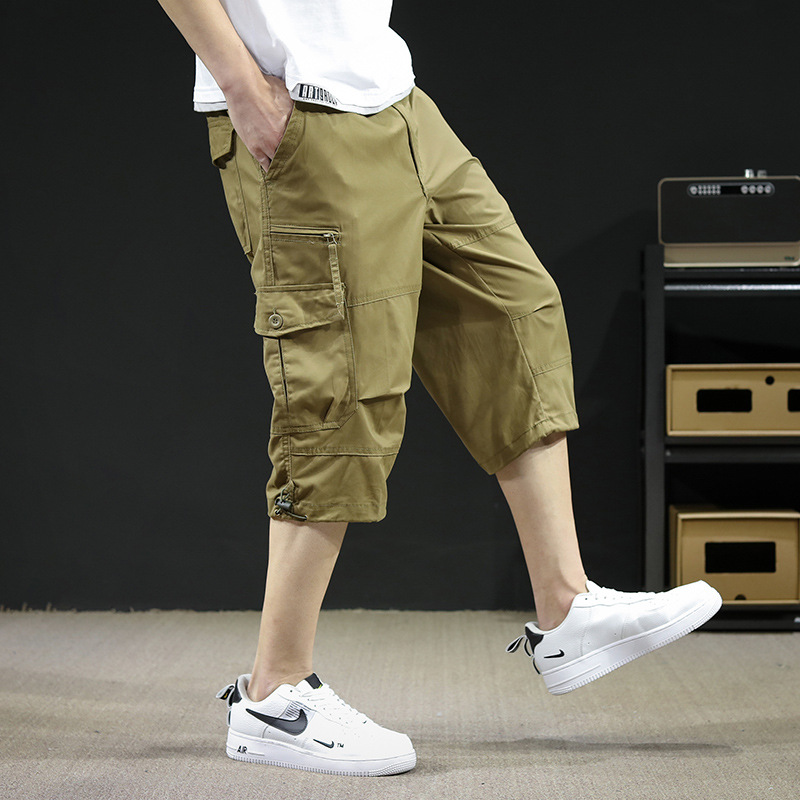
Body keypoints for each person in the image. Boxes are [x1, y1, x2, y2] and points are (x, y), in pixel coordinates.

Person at [155, 0, 723, 777]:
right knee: (340, 393)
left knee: (513, 314)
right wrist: (242, 85)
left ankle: (566, 606)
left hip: (392, 95)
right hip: (299, 108)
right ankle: (273, 693)